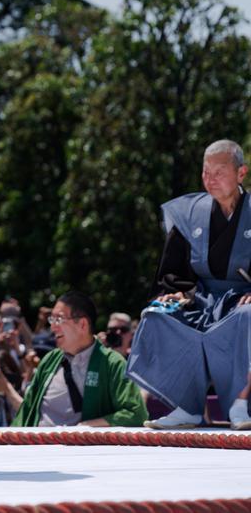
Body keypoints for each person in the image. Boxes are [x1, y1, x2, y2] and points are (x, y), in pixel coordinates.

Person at [128, 140, 251, 430]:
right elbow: (172, 271)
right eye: (205, 172)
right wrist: (177, 292)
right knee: (158, 315)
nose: (210, 179)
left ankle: (239, 403)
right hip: (201, 297)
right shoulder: (189, 212)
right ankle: (186, 404)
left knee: (248, 316)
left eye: (219, 172)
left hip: (241, 300)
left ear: (241, 173)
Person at [13, 292, 147, 427]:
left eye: (58, 319)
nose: (53, 327)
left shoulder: (112, 363)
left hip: (80, 446)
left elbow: (136, 413)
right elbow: (26, 410)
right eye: (51, 320)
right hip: (37, 445)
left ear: (82, 324)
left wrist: (88, 426)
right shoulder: (50, 360)